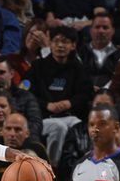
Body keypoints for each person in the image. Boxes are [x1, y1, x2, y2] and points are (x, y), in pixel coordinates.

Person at [27, 25, 92, 167]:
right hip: (43, 118)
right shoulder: (38, 66)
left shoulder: (78, 68)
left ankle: (84, 166)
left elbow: (86, 94)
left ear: (73, 45)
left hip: (69, 116)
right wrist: (46, 105)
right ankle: (51, 169)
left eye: (65, 42)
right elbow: (27, 94)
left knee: (81, 127)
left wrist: (70, 102)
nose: (60, 46)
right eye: (56, 41)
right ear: (49, 44)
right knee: (59, 127)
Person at [78, 12, 120, 91]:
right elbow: (76, 77)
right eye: (97, 27)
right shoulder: (79, 52)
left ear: (113, 31)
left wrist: (103, 91)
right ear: (90, 30)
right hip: (83, 94)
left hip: (111, 97)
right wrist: (89, 88)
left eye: (105, 28)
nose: (101, 31)